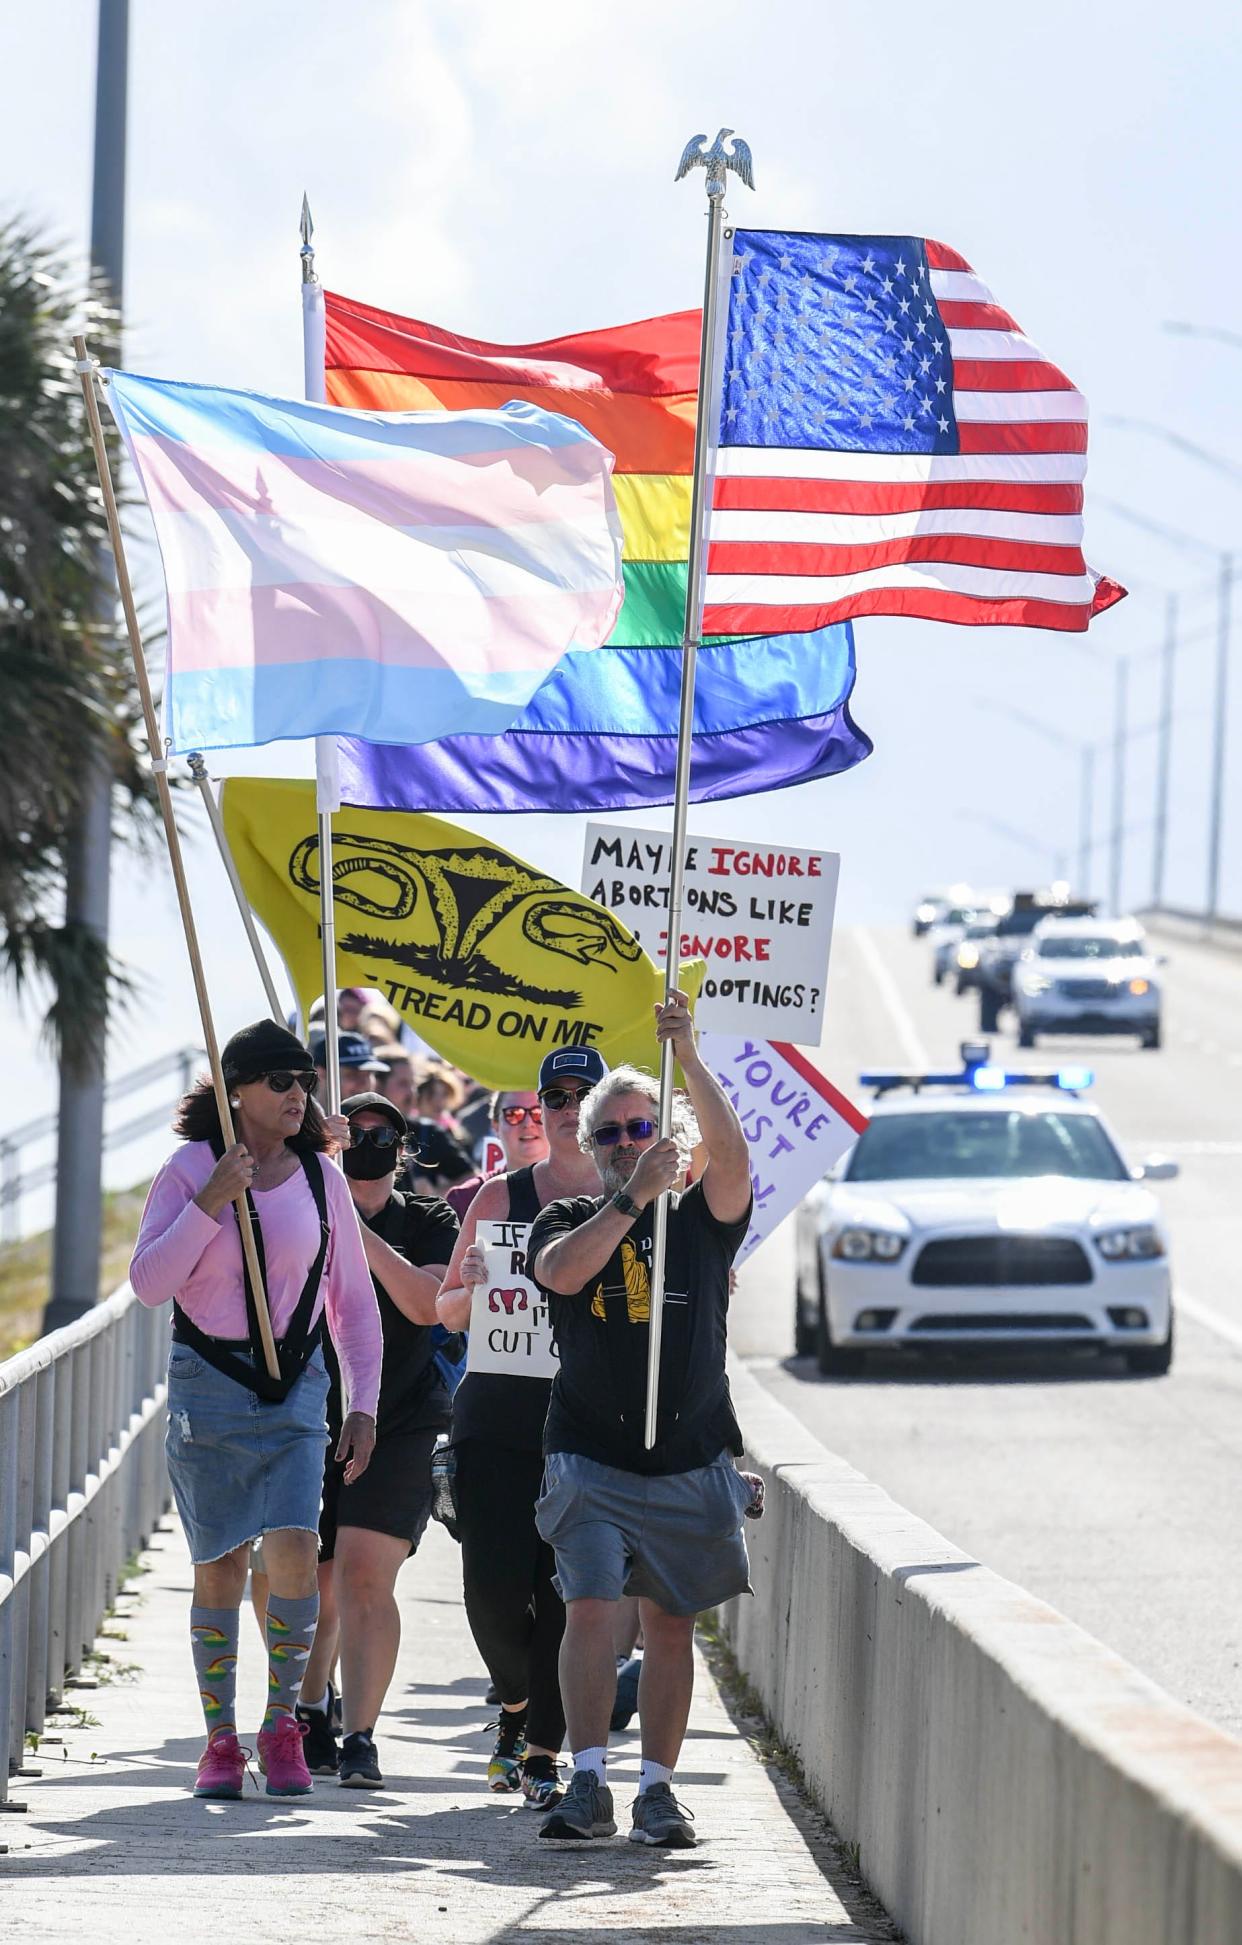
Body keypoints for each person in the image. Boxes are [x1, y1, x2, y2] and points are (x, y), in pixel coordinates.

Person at [128, 1020, 382, 1803]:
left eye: (301, 1081)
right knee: (222, 1566)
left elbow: (352, 1300)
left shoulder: (319, 1178)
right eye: (279, 1081)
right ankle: (218, 1740)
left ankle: (283, 1728)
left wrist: (363, 1402)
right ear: (235, 1090)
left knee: (297, 1552)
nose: (296, 1094)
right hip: (208, 1384)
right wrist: (210, 1200)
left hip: (296, 1389)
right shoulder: (190, 1169)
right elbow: (148, 1281)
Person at [526, 992, 753, 1848]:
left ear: (669, 1136)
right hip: (590, 1452)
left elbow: (734, 1164)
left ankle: (659, 1787)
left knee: (668, 1621)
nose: (627, 1143)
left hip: (690, 1454)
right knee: (589, 1606)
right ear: (591, 1149)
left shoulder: (701, 1222)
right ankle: (588, 1780)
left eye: (640, 1128)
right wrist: (629, 1202)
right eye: (610, 1134)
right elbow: (560, 1274)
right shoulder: (572, 1215)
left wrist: (689, 1056)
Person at [435, 1048, 607, 1811]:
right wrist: (469, 1285)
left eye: (584, 1093)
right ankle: (514, 1702)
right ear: (538, 1106)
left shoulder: (627, 1197)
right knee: (494, 1589)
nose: (569, 1106)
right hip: (494, 1413)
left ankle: (541, 1750)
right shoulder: (502, 1195)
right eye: (556, 1095)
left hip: (584, 1419)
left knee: (563, 1592)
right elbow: (443, 1311)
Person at [294, 1091, 459, 1788]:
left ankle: (360, 1733)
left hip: (403, 1417)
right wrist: (318, 1193)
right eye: (351, 1131)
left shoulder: (430, 1219)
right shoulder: (295, 1208)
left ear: (403, 1144)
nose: (366, 1142)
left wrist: (353, 1229)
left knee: (364, 1574)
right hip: (308, 1413)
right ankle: (309, 1706)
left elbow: (428, 1303)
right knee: (317, 1582)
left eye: (380, 1132)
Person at [310, 1028, 388, 1102]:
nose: (364, 1083)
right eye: (353, 1074)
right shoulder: (302, 1115)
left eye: (369, 1074)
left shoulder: (382, 1115)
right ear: (322, 1073)